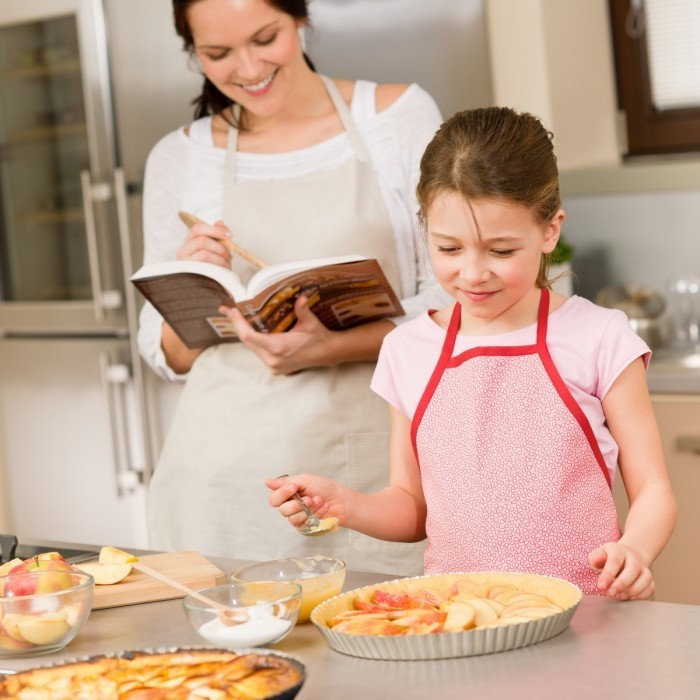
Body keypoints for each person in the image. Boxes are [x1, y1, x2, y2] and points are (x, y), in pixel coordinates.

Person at [267, 106, 677, 599]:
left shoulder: (600, 337)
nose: (473, 272)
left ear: (550, 230)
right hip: (457, 620)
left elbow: (653, 490)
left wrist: (636, 549)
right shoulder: (407, 350)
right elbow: (413, 508)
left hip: (587, 617)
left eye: (501, 251)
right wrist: (344, 505)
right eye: (449, 249)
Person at [138, 0, 446, 575]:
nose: (248, 68)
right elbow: (164, 354)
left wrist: (332, 346)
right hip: (223, 480)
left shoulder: (398, 117)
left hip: (374, 473)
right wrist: (189, 281)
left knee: (392, 633)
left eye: (265, 38)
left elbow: (452, 301)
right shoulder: (179, 157)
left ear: (300, 18)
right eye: (217, 53)